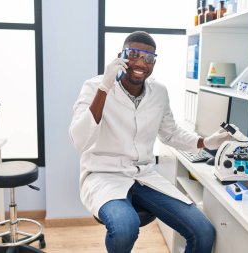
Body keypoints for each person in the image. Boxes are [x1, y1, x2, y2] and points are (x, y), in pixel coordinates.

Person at [69, 31, 232, 253]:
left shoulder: (159, 92)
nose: (141, 63)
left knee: (203, 231)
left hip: (144, 175)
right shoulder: (94, 86)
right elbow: (80, 140)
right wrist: (105, 88)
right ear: (121, 56)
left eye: (149, 58)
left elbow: (170, 134)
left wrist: (206, 142)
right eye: (134, 54)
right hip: (103, 175)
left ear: (153, 62)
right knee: (126, 226)